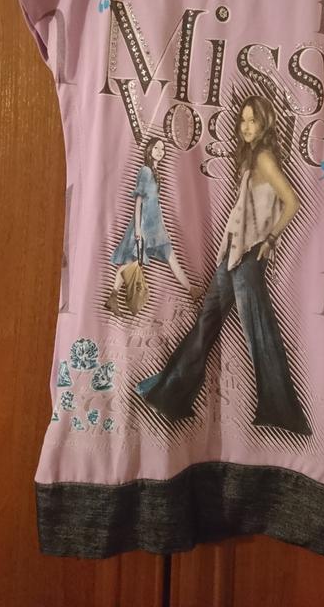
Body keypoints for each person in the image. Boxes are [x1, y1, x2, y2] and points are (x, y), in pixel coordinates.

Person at [135, 96, 312, 435]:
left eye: (253, 121)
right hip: (233, 254)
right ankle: (171, 393)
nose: (246, 127)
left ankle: (280, 411)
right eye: (243, 120)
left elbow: (292, 201)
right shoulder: (250, 157)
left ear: (264, 123)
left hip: (249, 257)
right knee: (208, 321)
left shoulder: (264, 157)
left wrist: (270, 239)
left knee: (258, 330)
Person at [105, 136, 204, 316]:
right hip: (143, 226)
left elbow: (156, 204)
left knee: (170, 257)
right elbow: (138, 202)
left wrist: (163, 226)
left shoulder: (155, 172)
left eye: (162, 149)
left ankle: (192, 290)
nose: (160, 151)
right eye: (156, 148)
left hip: (156, 226)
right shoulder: (145, 171)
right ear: (149, 150)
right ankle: (113, 296)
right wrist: (137, 230)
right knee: (132, 261)